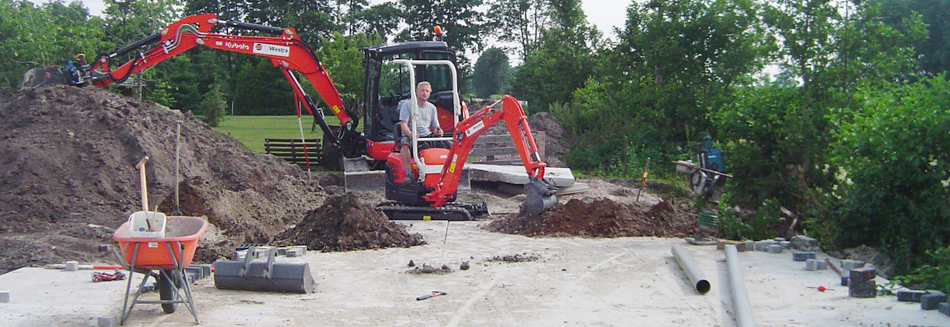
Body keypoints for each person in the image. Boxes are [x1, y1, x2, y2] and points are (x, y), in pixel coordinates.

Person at [397, 81, 443, 183]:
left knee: (448, 145)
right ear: (416, 92)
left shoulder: (432, 108)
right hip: (410, 134)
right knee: (405, 144)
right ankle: (408, 174)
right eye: (422, 90)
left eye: (427, 91)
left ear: (430, 93)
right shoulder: (407, 105)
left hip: (426, 135)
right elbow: (403, 124)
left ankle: (446, 172)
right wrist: (411, 134)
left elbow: (435, 127)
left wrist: (438, 131)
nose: (424, 93)